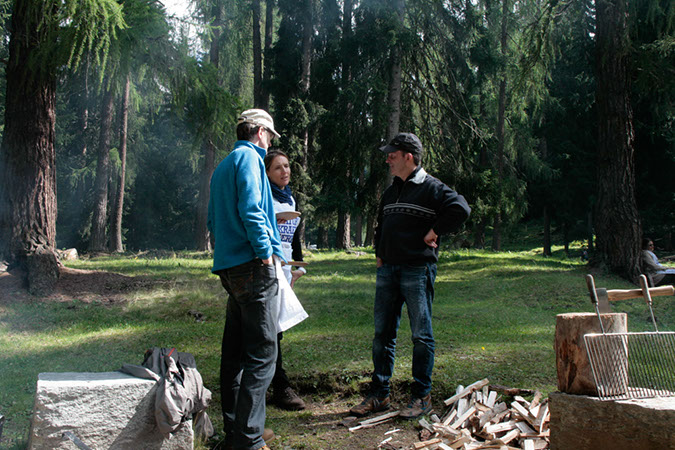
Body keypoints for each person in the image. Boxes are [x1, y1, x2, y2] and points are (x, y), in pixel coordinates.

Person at [350, 132, 471, 420]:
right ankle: (380, 395)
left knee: (421, 336)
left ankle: (422, 397)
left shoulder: (432, 188)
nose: (388, 159)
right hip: (388, 271)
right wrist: (380, 254)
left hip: (417, 270)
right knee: (382, 335)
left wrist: (435, 230)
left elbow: (461, 209)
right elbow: (381, 224)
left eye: (393, 154)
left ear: (409, 157)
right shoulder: (391, 191)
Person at [207, 108, 284, 450]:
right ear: (259, 132)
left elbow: (212, 220)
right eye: (270, 137)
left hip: (229, 267)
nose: (269, 145)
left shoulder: (223, 165)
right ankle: (249, 440)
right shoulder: (251, 159)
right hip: (253, 265)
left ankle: (236, 432)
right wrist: (265, 252)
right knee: (263, 354)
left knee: (235, 355)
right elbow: (252, 209)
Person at [264, 149, 307, 411]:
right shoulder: (264, 197)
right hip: (269, 266)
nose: (285, 171)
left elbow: (294, 237)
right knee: (271, 327)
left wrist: (298, 267)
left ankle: (275, 384)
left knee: (277, 327)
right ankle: (279, 386)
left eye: (287, 166)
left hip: (286, 267)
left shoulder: (289, 197)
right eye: (278, 167)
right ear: (267, 173)